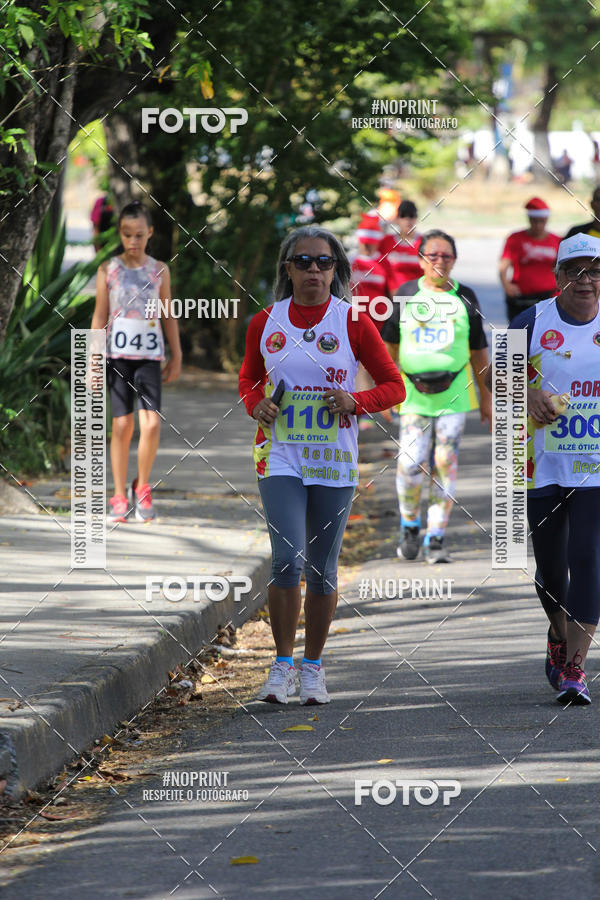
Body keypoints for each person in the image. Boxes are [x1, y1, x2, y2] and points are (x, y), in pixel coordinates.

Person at [239, 226, 405, 705]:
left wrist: (355, 400)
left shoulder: (352, 321)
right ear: (286, 269)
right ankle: (282, 666)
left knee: (323, 570)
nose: (315, 270)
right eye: (304, 261)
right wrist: (257, 406)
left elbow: (395, 386)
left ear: (337, 270)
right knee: (287, 559)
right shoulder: (264, 322)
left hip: (333, 460)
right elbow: (249, 379)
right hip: (281, 455)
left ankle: (313, 666)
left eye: (324, 262)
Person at [496, 233, 600, 705]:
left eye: (595, 271)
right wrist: (529, 393)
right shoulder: (531, 321)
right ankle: (557, 632)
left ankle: (577, 668)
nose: (587, 281)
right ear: (558, 278)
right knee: (550, 569)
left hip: (594, 466)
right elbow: (499, 375)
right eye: (576, 271)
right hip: (540, 463)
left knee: (588, 558)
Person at [381, 229, 492, 564]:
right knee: (411, 462)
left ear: (454, 260)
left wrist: (488, 399)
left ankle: (437, 536)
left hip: (455, 394)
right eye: (433, 255)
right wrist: (385, 391)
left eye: (446, 255)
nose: (440, 261)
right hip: (412, 394)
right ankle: (410, 525)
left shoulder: (466, 296)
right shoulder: (404, 294)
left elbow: (479, 353)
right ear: (420, 259)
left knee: (445, 462)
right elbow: (388, 348)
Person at [91, 201, 182, 523]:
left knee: (152, 423)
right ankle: (117, 493)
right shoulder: (108, 270)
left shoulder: (159, 270)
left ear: (150, 234)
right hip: (118, 357)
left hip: (149, 357)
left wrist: (177, 353)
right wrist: (94, 360)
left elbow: (168, 313)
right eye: (127, 234)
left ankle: (141, 485)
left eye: (139, 235)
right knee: (121, 425)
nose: (133, 241)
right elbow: (100, 315)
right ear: (119, 233)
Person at [499, 198, 561, 323]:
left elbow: (563, 268)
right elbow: (503, 265)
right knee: (517, 337)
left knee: (547, 335)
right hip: (521, 296)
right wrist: (506, 285)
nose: (538, 225)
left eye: (541, 221)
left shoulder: (557, 240)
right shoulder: (515, 238)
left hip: (549, 296)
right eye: (534, 221)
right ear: (529, 220)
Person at [378, 199, 422, 296]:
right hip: (391, 299)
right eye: (403, 216)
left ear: (416, 218)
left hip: (418, 299)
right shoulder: (386, 242)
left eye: (411, 216)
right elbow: (379, 269)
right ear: (397, 219)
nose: (407, 220)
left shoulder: (424, 242)